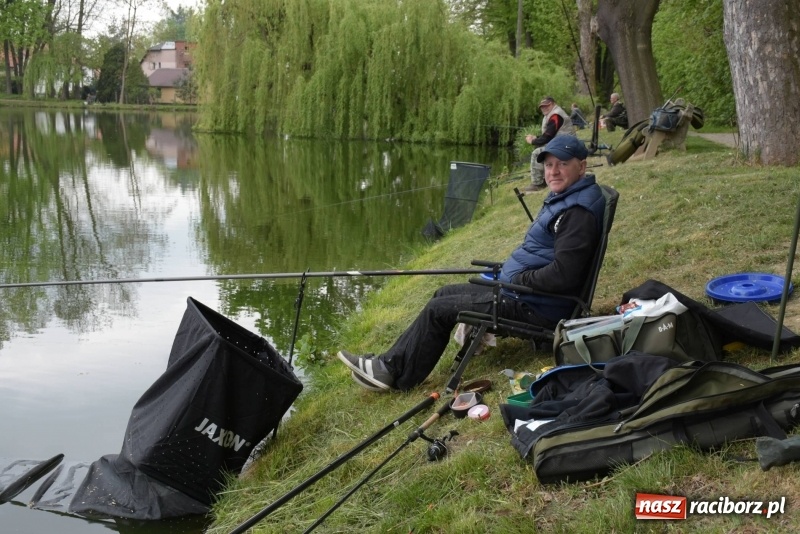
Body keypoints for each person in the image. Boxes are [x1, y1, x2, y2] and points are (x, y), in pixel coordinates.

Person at [338, 136, 606, 393]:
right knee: (443, 294)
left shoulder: (576, 213)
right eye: (549, 165)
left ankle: (395, 373)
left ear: (581, 166)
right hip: (523, 293)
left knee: (439, 309)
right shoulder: (571, 198)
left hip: (536, 307)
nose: (553, 171)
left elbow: (564, 276)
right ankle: (390, 364)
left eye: (562, 164)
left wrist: (518, 280)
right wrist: (511, 274)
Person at [522, 96, 576, 193]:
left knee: (536, 153)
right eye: (542, 107)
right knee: (541, 150)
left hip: (566, 146)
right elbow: (549, 134)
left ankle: (538, 184)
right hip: (562, 143)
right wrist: (536, 137)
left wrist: (533, 141)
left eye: (546, 105)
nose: (544, 108)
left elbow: (548, 136)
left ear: (552, 104)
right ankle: (543, 177)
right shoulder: (552, 114)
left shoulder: (556, 115)